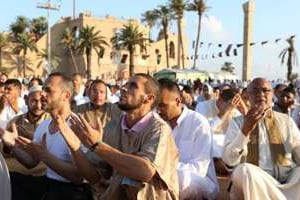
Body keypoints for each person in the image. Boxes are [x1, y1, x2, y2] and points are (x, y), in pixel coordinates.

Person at [55, 73, 179, 199]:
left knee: (130, 177)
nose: (124, 89)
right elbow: (94, 177)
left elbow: (145, 171)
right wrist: (75, 148)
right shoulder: (113, 127)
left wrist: (97, 146)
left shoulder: (159, 129)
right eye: (125, 85)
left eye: (133, 86)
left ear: (149, 98)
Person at [0, 72, 92, 200]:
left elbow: (78, 177)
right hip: (48, 184)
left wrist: (44, 155)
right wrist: (13, 145)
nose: (42, 94)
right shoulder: (45, 125)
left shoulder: (77, 127)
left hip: (71, 190)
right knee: (8, 180)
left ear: (66, 96)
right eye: (43, 89)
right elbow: (31, 162)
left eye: (48, 90)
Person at [223, 77, 300, 200]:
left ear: (273, 94)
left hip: (287, 184)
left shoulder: (286, 121)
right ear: (248, 96)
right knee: (244, 171)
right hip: (256, 182)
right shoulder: (238, 123)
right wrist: (244, 131)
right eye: (255, 91)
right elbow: (228, 161)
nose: (261, 94)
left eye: (265, 90)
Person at [157, 79, 219, 199]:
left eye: (163, 105)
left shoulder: (198, 123)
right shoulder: (158, 123)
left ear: (178, 101)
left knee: (181, 177)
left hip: (198, 181)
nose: (159, 110)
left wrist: (163, 168)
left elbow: (199, 169)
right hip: (164, 176)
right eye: (156, 105)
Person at [2, 85, 49, 175]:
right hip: (17, 172)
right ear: (26, 101)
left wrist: (30, 137)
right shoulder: (15, 122)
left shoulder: (51, 122)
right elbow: (6, 152)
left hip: (42, 173)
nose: (39, 106)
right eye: (34, 101)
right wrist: (8, 143)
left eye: (42, 102)